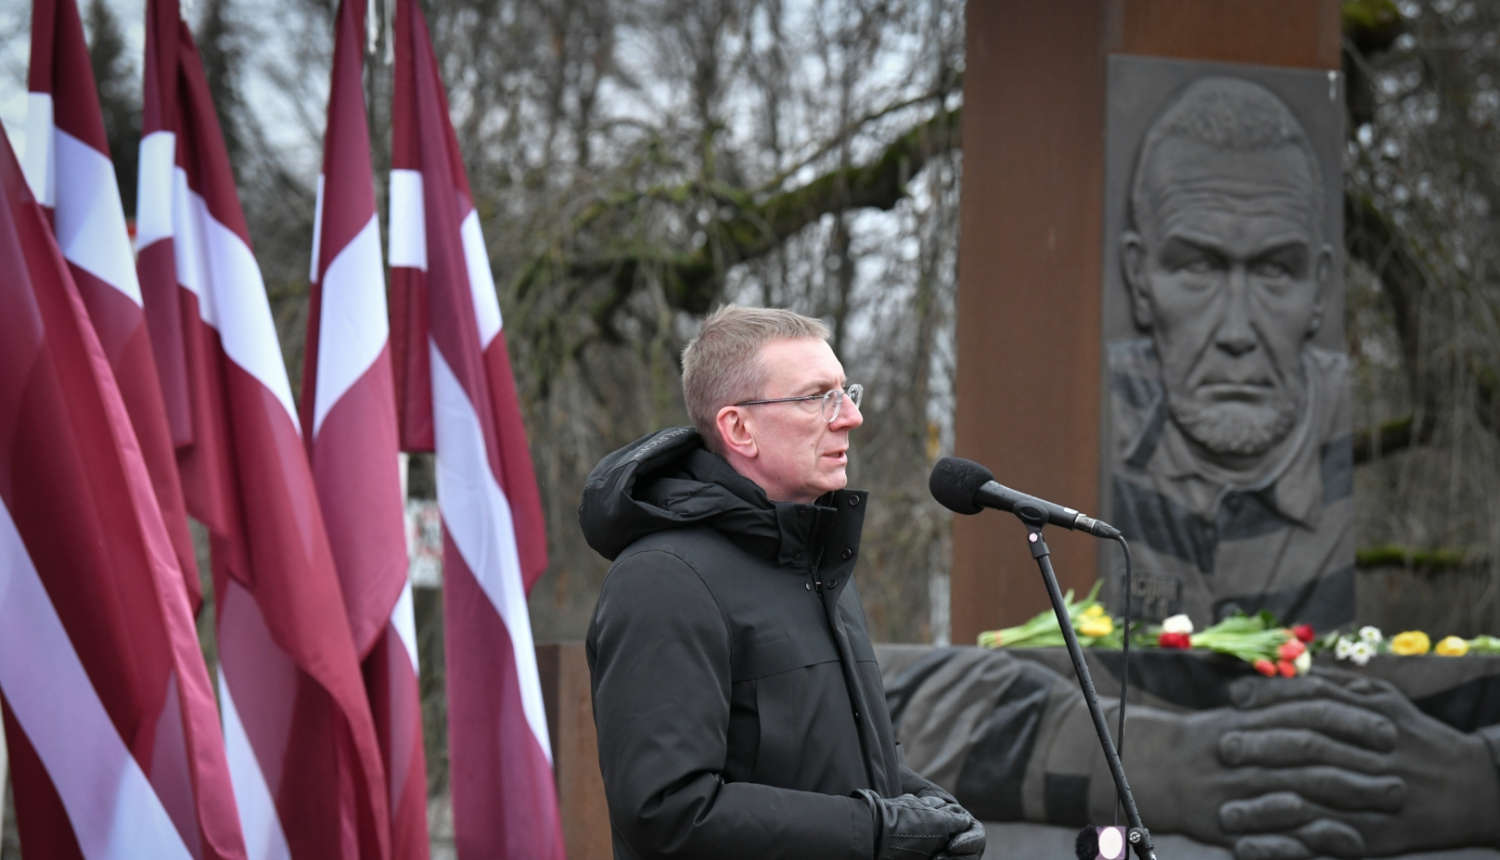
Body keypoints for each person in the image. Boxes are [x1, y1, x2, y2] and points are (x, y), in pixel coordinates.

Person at [580, 306, 987, 860]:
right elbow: (667, 811)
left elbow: (829, 763)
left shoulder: (819, 568)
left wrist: (930, 809)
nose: (849, 417)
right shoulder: (664, 580)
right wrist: (876, 832)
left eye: (846, 392)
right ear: (738, 428)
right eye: (817, 396)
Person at [1109, 76, 1354, 629]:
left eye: (1274, 271)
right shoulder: (1088, 413)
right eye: (1198, 267)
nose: (1238, 332)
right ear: (1138, 279)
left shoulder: (1337, 419)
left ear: (1318, 287)